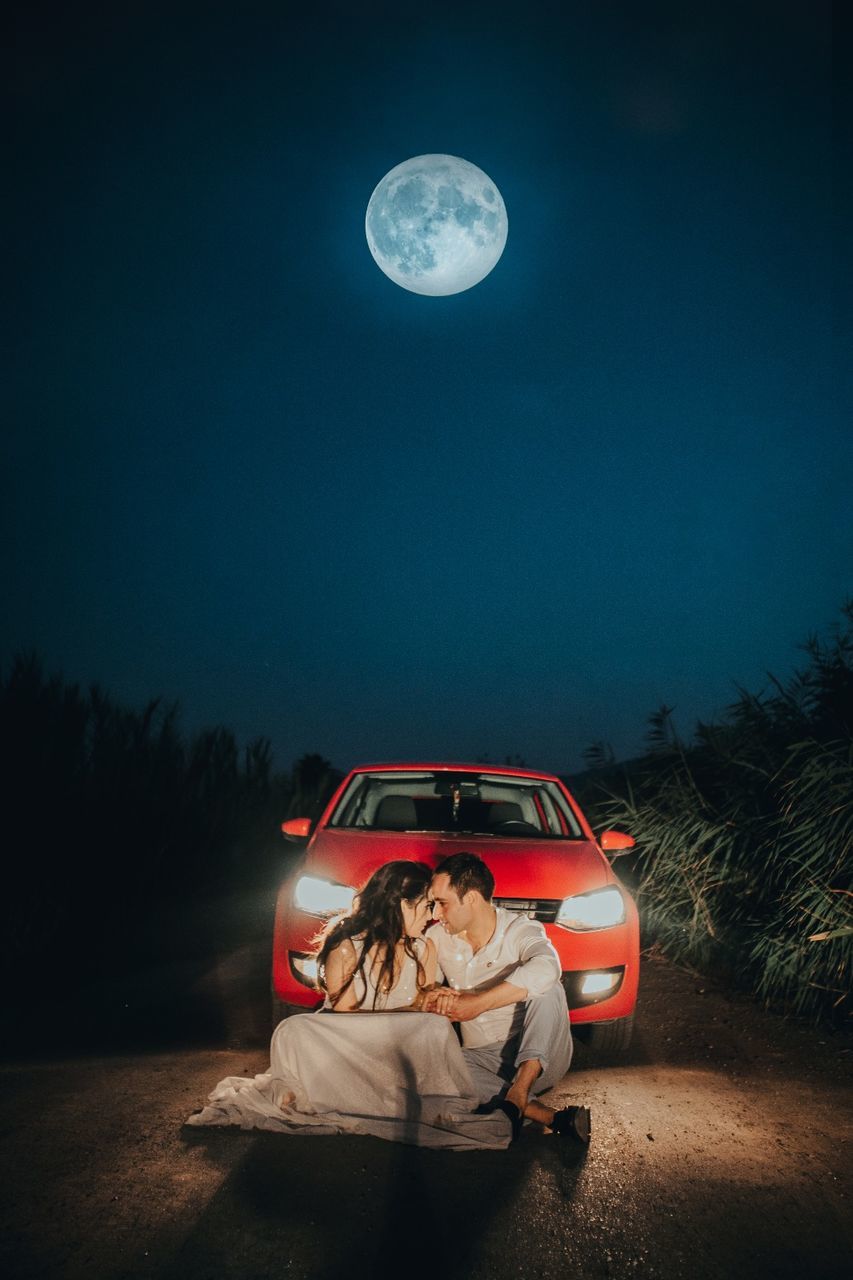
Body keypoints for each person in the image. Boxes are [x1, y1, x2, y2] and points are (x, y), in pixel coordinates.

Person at [185, 860, 509, 1149]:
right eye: (425, 907)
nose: (432, 917)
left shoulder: (423, 949)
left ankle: (398, 1094)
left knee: (434, 1026)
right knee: (294, 1028)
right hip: (344, 1044)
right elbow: (345, 1017)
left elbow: (422, 1005)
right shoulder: (346, 946)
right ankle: (325, 1087)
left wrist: (435, 998)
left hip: (398, 1048)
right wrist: (414, 1012)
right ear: (399, 905)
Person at [424, 851, 591, 1143]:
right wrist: (435, 996)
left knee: (547, 985)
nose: (435, 914)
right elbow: (426, 991)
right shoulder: (438, 938)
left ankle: (522, 1087)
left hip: (543, 1055)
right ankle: (550, 1116)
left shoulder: (519, 929)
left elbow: (548, 966)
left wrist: (476, 1003)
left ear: (472, 899)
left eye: (442, 903)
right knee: (431, 1069)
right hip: (484, 1059)